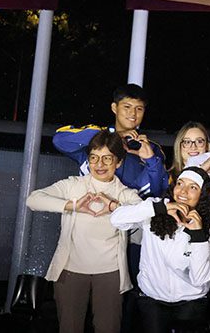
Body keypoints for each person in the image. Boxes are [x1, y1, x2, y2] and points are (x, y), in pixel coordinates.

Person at [26, 131, 142, 333]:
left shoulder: (126, 194)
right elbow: (33, 200)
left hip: (110, 272)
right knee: (69, 328)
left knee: (109, 328)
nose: (99, 164)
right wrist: (72, 206)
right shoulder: (73, 185)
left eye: (107, 158)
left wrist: (114, 207)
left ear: (119, 162)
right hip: (70, 270)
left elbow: (145, 219)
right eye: (94, 158)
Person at [110, 167, 210, 333]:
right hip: (153, 300)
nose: (183, 191)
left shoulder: (208, 228)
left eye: (193, 187)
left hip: (191, 302)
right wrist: (159, 208)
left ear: (202, 195)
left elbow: (199, 278)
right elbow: (116, 219)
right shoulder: (155, 207)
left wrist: (198, 236)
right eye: (180, 184)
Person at [53, 83, 168, 198]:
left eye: (139, 109)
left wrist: (151, 160)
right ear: (114, 108)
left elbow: (157, 192)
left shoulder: (151, 148)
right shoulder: (94, 137)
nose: (133, 113)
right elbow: (59, 140)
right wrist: (111, 136)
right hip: (88, 205)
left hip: (130, 207)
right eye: (127, 107)